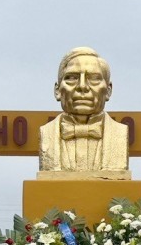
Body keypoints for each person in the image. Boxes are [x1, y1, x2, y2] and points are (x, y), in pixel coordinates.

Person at [39, 46, 129, 174]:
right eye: (71, 78)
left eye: (94, 78)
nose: (82, 86)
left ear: (108, 91)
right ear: (57, 91)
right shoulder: (46, 133)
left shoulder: (120, 134)